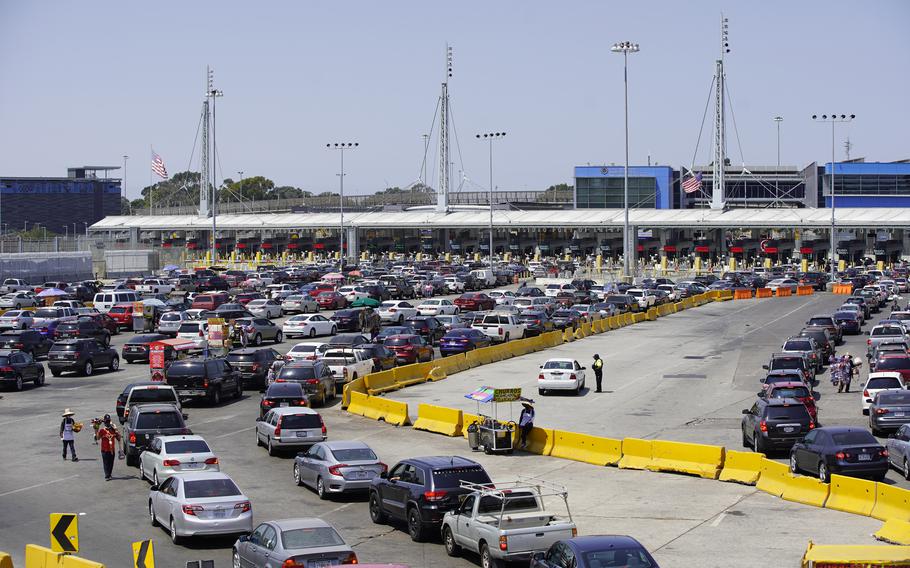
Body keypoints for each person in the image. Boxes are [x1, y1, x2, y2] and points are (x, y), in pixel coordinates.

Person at [97, 414, 121, 481]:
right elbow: (98, 438)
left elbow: (118, 438)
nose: (107, 423)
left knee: (111, 463)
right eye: (106, 421)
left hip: (111, 450)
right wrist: (97, 428)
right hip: (104, 450)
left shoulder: (113, 430)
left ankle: (109, 474)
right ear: (104, 422)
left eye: (108, 421)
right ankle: (107, 475)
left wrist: (116, 430)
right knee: (106, 463)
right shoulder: (102, 431)